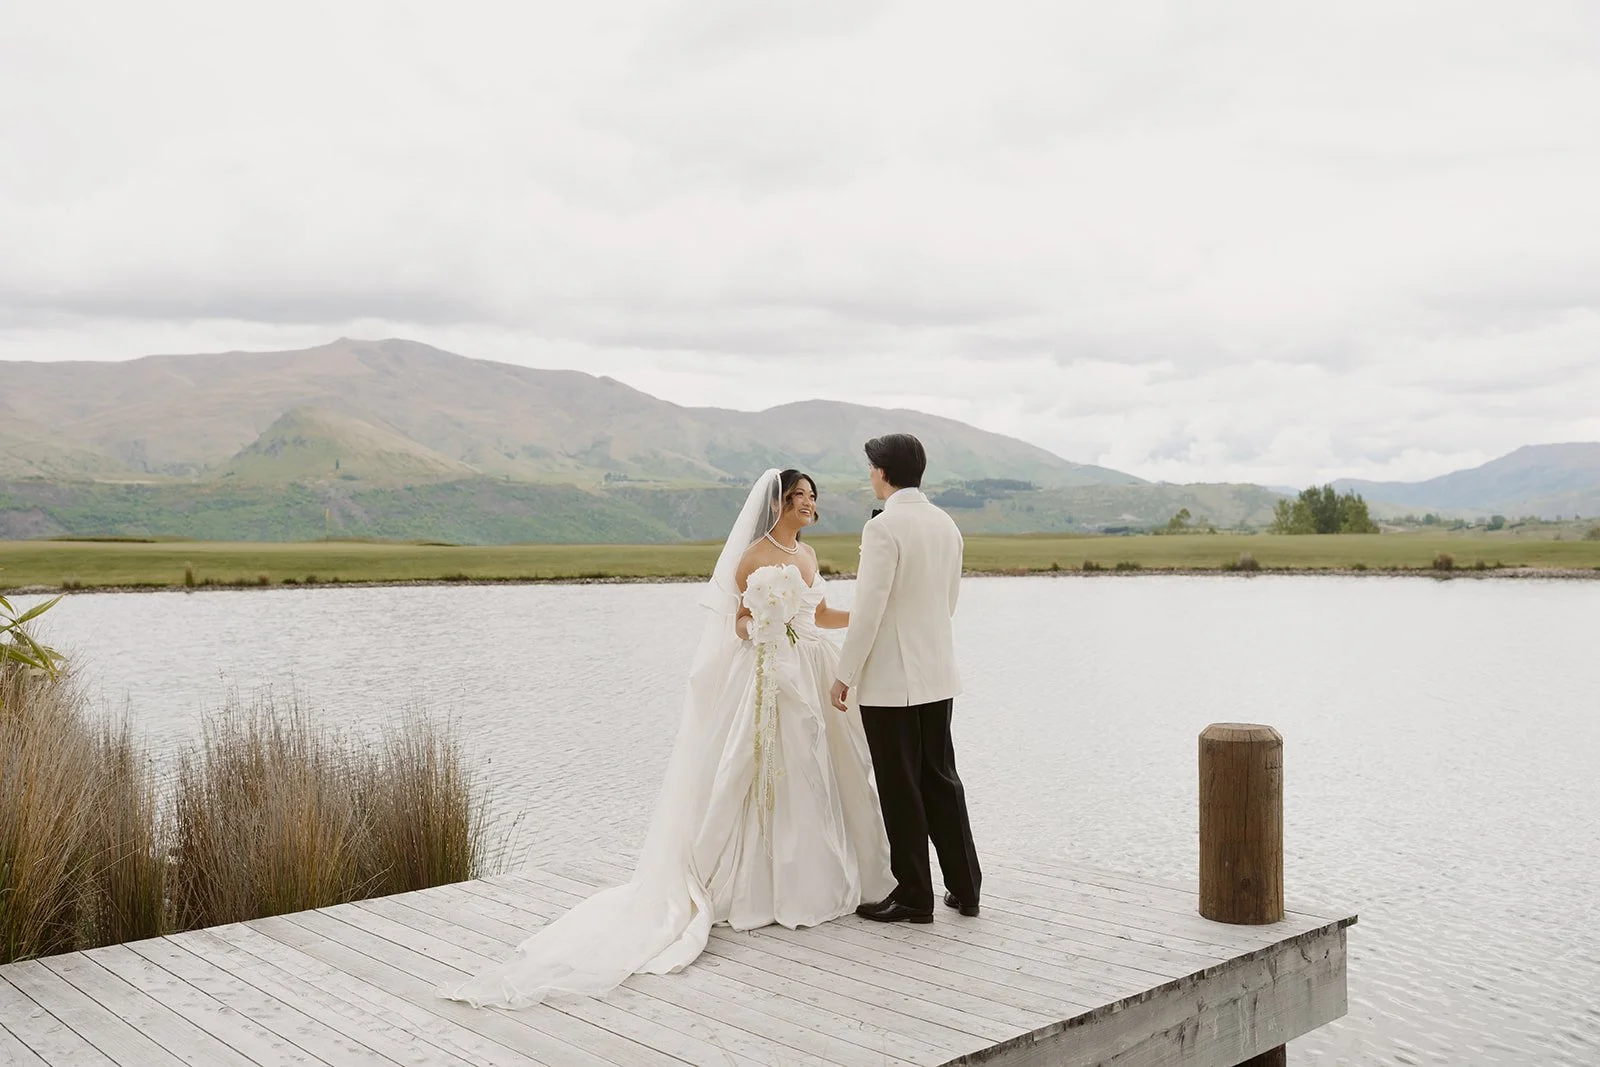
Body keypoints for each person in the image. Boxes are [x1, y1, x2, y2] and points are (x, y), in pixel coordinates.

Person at [441, 468, 893, 1008]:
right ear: (777, 503)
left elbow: (819, 614)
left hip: (810, 670)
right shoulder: (753, 557)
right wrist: (764, 629)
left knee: (817, 772)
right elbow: (739, 623)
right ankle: (757, 884)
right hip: (770, 672)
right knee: (766, 769)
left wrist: (868, 616)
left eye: (812, 498)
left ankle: (814, 876)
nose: (807, 504)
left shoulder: (810, 557)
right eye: (798, 496)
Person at [831, 433, 982, 923]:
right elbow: (949, 602)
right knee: (941, 779)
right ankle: (965, 887)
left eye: (871, 467)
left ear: (882, 471)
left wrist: (844, 674)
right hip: (938, 673)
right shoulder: (947, 524)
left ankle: (915, 894)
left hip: (892, 682)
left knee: (900, 787)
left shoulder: (883, 528)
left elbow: (868, 612)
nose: (869, 475)